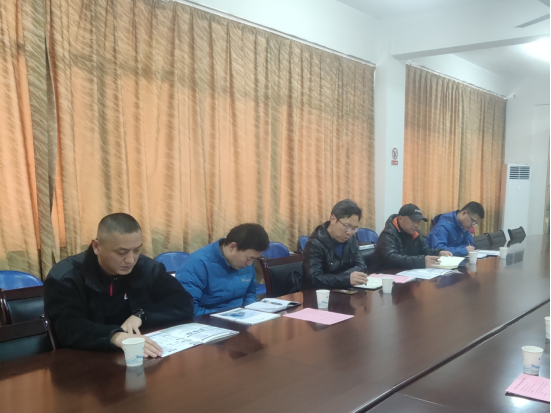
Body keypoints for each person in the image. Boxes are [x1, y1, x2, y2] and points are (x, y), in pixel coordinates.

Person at [44, 213, 194, 357]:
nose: (130, 260)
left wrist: (142, 315)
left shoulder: (146, 268)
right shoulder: (66, 276)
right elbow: (67, 327)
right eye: (122, 252)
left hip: (139, 355)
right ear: (96, 246)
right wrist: (115, 336)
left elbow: (183, 302)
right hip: (84, 360)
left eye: (137, 250)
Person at [176, 224, 270, 315]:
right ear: (232, 247)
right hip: (209, 320)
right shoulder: (197, 264)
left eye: (254, 259)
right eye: (248, 259)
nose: (249, 264)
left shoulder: (245, 262)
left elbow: (250, 293)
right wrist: (226, 318)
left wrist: (252, 313)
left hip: (239, 317)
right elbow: (190, 310)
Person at [302, 199, 368, 290]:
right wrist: (345, 279)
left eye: (354, 228)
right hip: (321, 295)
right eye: (347, 226)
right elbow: (314, 278)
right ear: (333, 219)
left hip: (346, 291)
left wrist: (346, 278)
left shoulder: (352, 238)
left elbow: (361, 266)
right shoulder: (315, 244)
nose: (349, 232)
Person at [369, 204, 453, 273]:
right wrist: (422, 261)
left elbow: (424, 250)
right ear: (400, 219)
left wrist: (438, 253)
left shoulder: (415, 233)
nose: (416, 225)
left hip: (405, 273)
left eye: (418, 221)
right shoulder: (388, 234)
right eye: (413, 220)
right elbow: (392, 259)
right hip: (383, 276)